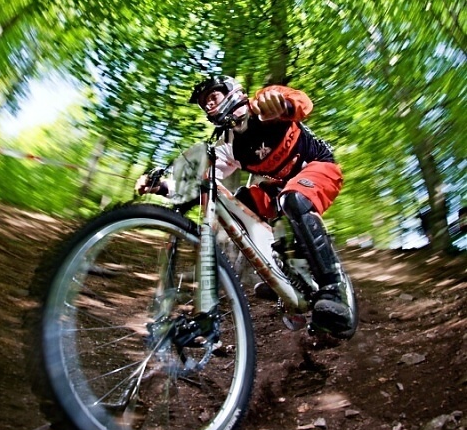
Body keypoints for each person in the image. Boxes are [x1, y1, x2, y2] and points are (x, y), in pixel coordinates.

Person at [138, 75, 355, 339]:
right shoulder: (228, 144)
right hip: (278, 186)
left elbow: (302, 103)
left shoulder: (262, 104)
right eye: (205, 104)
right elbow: (200, 180)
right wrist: (161, 186)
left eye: (212, 98)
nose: (209, 106)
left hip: (318, 167)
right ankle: (281, 271)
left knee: (292, 200)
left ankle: (334, 291)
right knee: (237, 206)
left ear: (232, 91)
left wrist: (281, 105)